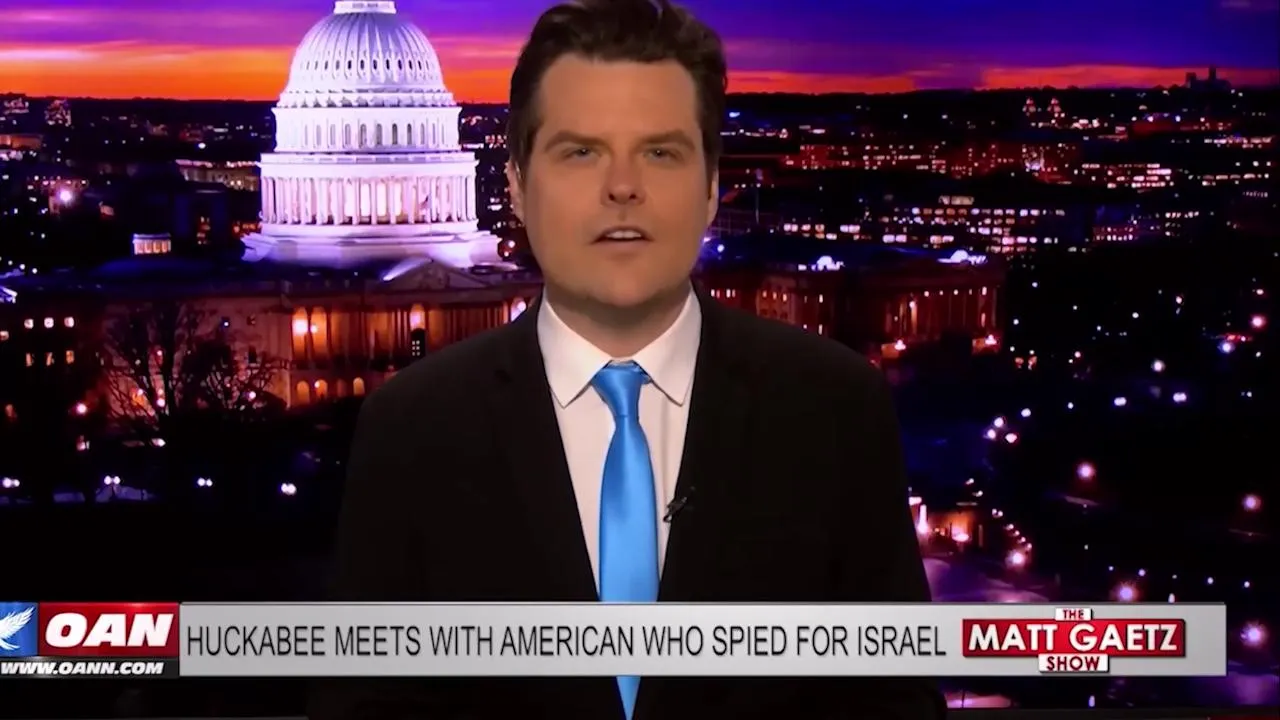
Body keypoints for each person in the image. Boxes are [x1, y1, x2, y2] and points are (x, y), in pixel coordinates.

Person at [310, 0, 944, 718]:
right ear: (515, 186)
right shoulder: (411, 427)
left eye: (661, 152)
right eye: (581, 151)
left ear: (712, 186)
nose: (622, 187)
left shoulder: (834, 407)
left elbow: (894, 698)